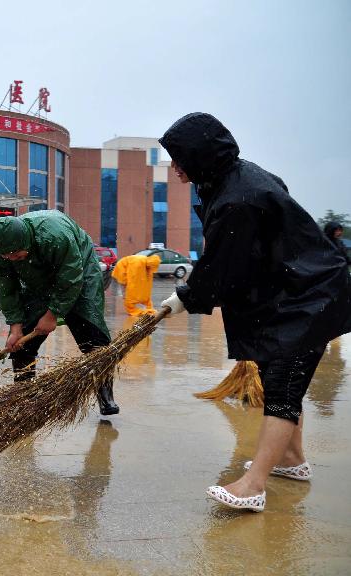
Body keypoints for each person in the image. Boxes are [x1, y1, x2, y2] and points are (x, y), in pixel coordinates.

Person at [157, 112, 351, 512]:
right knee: (278, 380)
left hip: (307, 299)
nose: (174, 166)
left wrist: (186, 297)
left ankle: (253, 486)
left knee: (282, 389)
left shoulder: (236, 198)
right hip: (288, 293)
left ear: (199, 155)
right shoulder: (232, 178)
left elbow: (222, 266)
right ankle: (292, 460)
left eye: (179, 158)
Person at [0, 211, 119, 416]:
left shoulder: (55, 235)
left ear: (27, 241)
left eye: (17, 254)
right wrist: (15, 326)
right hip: (36, 280)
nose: (12, 258)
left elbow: (70, 278)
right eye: (8, 256)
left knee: (92, 335)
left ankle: (105, 394)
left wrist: (52, 315)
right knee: (21, 345)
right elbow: (7, 290)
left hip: (78, 271)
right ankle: (23, 395)